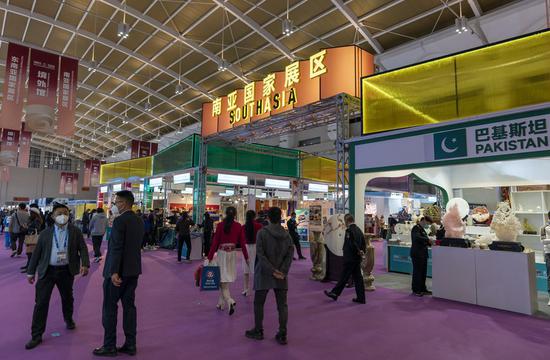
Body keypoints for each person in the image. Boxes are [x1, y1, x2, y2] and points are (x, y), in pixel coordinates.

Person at [25, 202, 89, 350]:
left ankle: (68, 319)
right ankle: (36, 335)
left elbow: (83, 249)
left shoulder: (75, 231)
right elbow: (37, 254)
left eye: (65, 213)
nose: (63, 216)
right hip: (47, 271)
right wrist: (30, 271)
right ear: (53, 216)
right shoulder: (45, 233)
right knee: (41, 303)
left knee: (68, 298)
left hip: (66, 271)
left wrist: (85, 264)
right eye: (59, 213)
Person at [94, 191, 144, 357]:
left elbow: (116, 247)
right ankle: (131, 344)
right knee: (129, 308)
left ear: (123, 203)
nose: (114, 205)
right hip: (133, 270)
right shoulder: (139, 220)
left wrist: (114, 271)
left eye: (116, 202)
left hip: (117, 273)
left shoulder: (119, 221)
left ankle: (109, 345)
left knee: (109, 307)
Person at [245, 207, 294, 345]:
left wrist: (272, 271)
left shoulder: (262, 233)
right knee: (282, 305)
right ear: (280, 217)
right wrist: (282, 272)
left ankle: (258, 330)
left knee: (259, 303)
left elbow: (260, 255)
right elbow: (290, 255)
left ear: (268, 217)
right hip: (281, 275)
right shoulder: (287, 236)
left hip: (264, 273)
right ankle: (283, 333)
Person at [207, 207, 248, 315]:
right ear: (235, 214)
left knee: (222, 281)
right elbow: (243, 243)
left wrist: (209, 256)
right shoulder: (238, 226)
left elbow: (215, 242)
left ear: (225, 213)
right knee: (225, 279)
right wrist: (247, 257)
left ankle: (230, 301)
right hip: (232, 255)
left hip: (222, 254)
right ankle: (221, 303)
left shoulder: (220, 225)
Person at [324, 214, 367, 304]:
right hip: (356, 259)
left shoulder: (349, 231)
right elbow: (363, 243)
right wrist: (362, 252)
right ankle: (361, 298)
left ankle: (335, 293)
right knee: (358, 278)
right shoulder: (359, 230)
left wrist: (357, 251)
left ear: (347, 221)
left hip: (350, 258)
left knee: (344, 277)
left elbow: (352, 244)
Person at [410, 216, 434, 297]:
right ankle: (416, 290)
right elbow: (417, 238)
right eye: (427, 223)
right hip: (417, 254)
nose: (427, 225)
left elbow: (424, 239)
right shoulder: (415, 228)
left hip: (423, 254)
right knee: (417, 272)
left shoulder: (422, 229)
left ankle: (423, 289)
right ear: (423, 220)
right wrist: (427, 240)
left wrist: (430, 242)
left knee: (423, 273)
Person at [242, 210, 263, 296]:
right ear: (255, 217)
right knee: (256, 269)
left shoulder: (243, 227)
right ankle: (257, 287)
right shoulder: (259, 226)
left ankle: (246, 289)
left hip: (246, 247)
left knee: (245, 270)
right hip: (255, 247)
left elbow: (241, 239)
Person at [21, 208, 44, 273]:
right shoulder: (32, 219)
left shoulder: (37, 220)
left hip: (33, 238)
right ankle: (28, 266)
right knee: (29, 253)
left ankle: (29, 268)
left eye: (31, 213)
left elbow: (37, 228)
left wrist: (28, 228)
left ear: (34, 213)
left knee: (30, 254)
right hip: (31, 238)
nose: (30, 214)